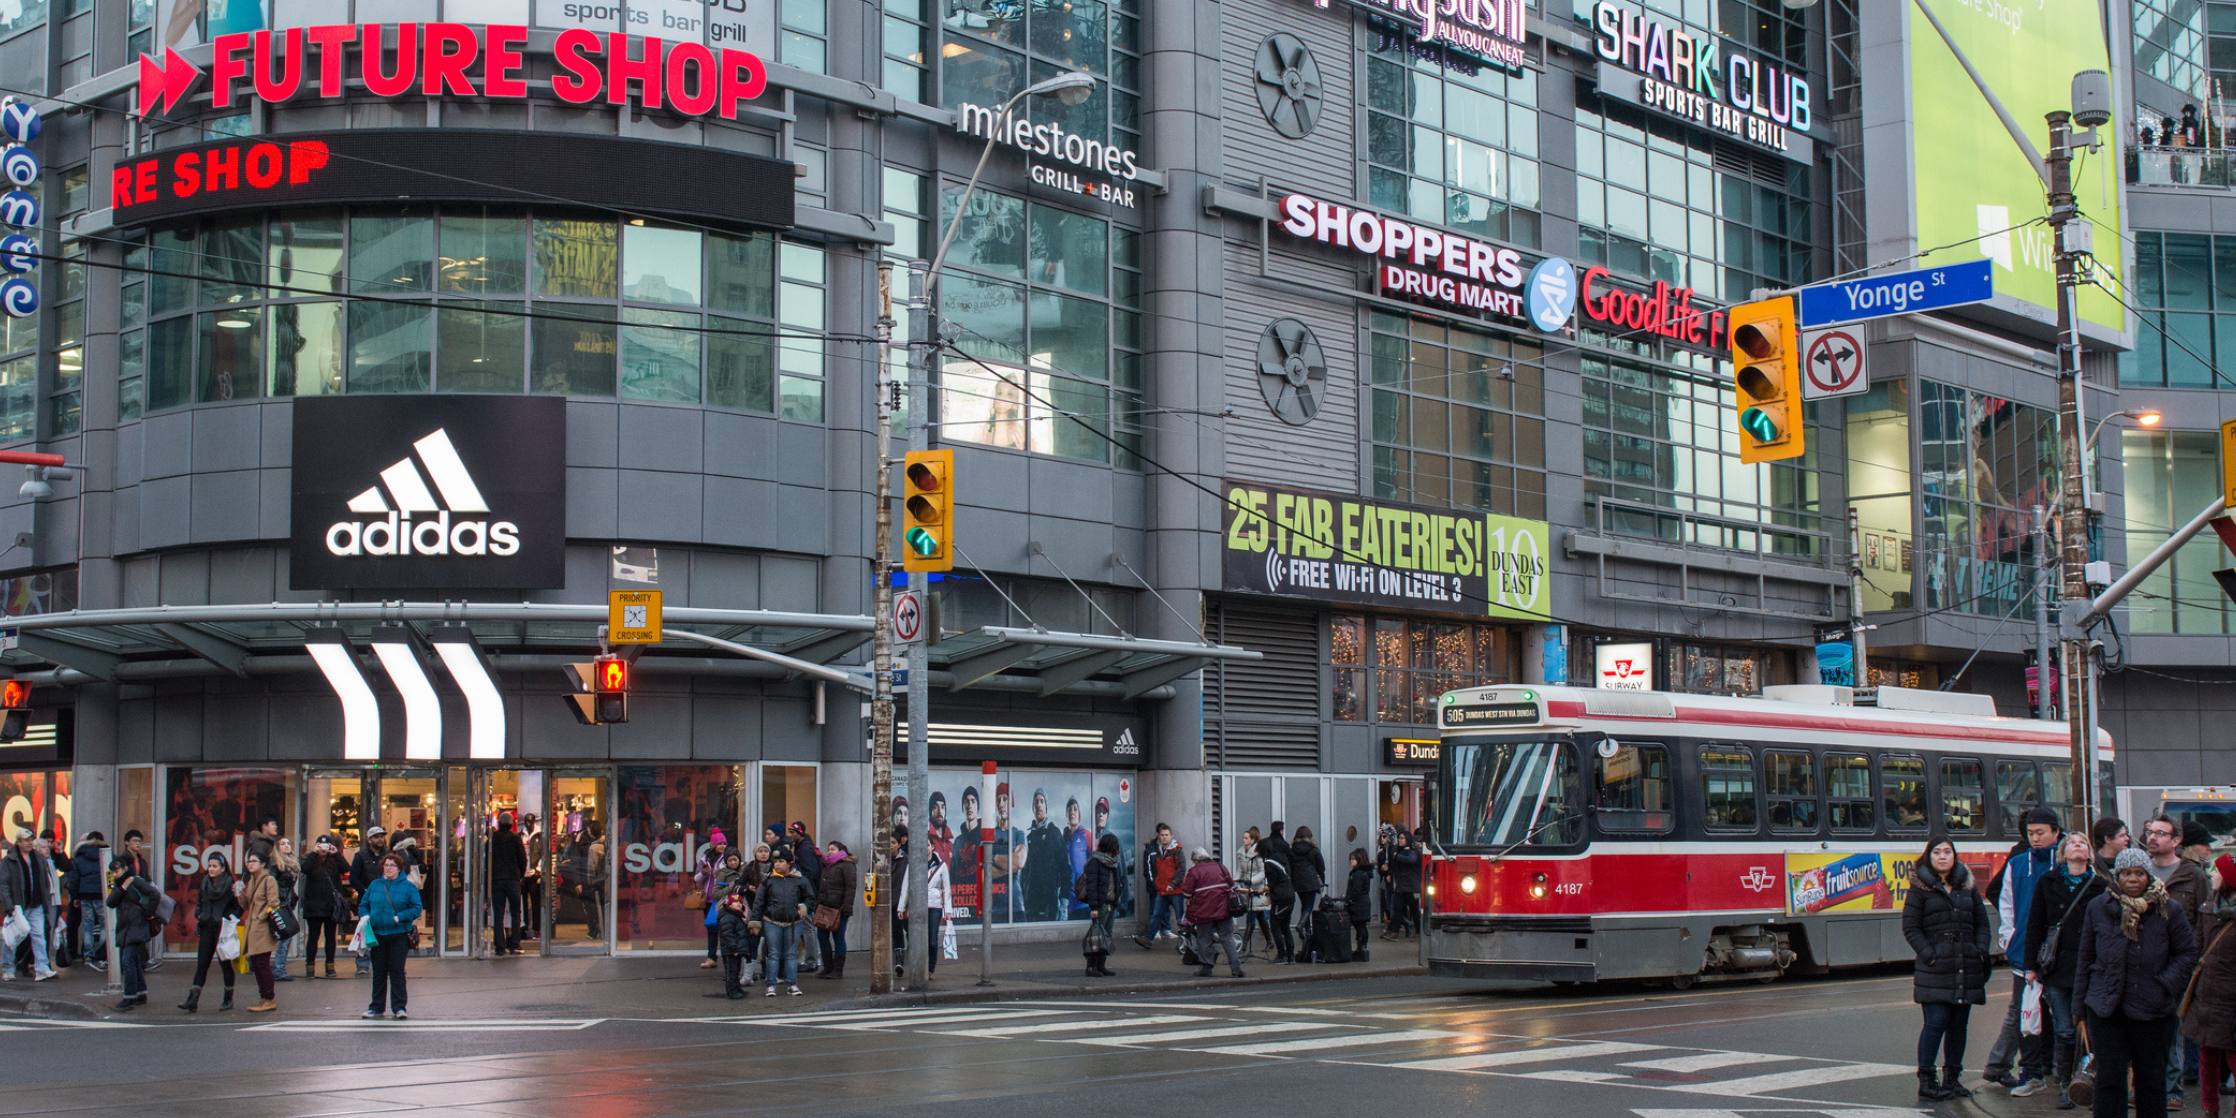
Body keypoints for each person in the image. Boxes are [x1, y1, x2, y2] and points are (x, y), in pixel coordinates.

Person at [2075, 847, 2200, 1118]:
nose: (2133, 879)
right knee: (2109, 1079)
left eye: (2139, 873)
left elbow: (2188, 953)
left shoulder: (2169, 909)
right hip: (2106, 1008)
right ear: (2117, 877)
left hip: (2153, 1009)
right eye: (2127, 873)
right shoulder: (2098, 907)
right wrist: (2079, 1008)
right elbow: (2085, 956)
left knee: (2151, 1080)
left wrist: (2164, 984)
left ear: (2148, 876)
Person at [1904, 836, 1994, 1102]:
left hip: (1965, 966)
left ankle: (1952, 1079)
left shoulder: (1966, 886)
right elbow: (1911, 927)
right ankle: (1927, 1080)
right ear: (1928, 856)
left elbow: (1982, 923)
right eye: (1937, 852)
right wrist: (1930, 955)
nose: (1943, 856)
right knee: (1936, 1023)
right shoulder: (1919, 888)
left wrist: (1979, 950)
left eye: (1947, 852)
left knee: (1959, 1026)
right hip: (1935, 968)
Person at [2027, 830, 2109, 1109]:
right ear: (2063, 852)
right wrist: (2030, 966)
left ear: (2090, 853)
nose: (2078, 846)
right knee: (2064, 1030)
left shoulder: (2101, 885)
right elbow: (2035, 924)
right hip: (2057, 967)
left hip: (2091, 968)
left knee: (2093, 1031)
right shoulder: (2048, 882)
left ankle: (2089, 1081)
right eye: (2072, 842)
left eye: (2083, 843)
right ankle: (2065, 1085)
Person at [1988, 809, 2063, 1095]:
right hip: (2025, 952)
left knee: (2062, 1016)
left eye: (2041, 832)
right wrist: (2009, 937)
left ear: (2055, 832)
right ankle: (2030, 1071)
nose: (2035, 838)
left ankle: (2061, 1071)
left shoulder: (2066, 860)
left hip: (2059, 952)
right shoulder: (2018, 863)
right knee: (2026, 1014)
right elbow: (2005, 902)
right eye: (2031, 833)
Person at [2149, 816, 2214, 1110]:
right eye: (2150, 832)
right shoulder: (2138, 871)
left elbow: (2205, 920)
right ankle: (2144, 1085)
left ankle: (2171, 1088)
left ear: (2176, 841)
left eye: (2161, 833)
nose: (2153, 838)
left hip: (2179, 963)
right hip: (2141, 964)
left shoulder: (2193, 875)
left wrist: (2196, 958)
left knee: (2174, 1028)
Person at [2180, 853, 2236, 1118]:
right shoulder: (2208, 908)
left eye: (2218, 871)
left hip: (2230, 1001)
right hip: (2205, 996)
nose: (2213, 875)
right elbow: (2196, 947)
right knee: (2207, 1058)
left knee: (2233, 1059)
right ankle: (2209, 1109)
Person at [358, 851, 423, 1019]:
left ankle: (400, 1007)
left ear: (399, 868)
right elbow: (364, 904)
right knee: (378, 972)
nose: (388, 868)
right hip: (378, 934)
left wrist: (400, 917)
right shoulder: (375, 885)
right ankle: (376, 1007)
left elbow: (416, 908)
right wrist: (365, 915)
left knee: (397, 971)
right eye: (386, 865)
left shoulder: (408, 887)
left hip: (399, 934)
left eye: (392, 865)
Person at [177, 850, 239, 1012]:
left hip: (222, 929)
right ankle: (192, 1000)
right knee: (202, 964)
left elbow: (238, 907)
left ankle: (228, 999)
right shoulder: (205, 882)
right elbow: (199, 901)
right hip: (206, 927)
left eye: (214, 866)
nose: (211, 869)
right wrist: (199, 914)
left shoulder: (229, 884)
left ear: (223, 868)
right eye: (209, 866)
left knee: (225, 964)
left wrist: (228, 918)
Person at [0, 827, 58, 981]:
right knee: (13, 937)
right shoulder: (9, 860)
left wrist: (45, 900)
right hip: (18, 905)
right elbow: (3, 884)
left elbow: (44, 882)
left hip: (36, 903)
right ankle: (7, 968)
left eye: (31, 840)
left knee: (39, 936)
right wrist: (8, 905)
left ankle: (42, 968)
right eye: (25, 840)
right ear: (18, 842)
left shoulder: (38, 858)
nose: (29, 843)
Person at [752, 851, 812, 997]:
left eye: (781, 861)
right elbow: (759, 902)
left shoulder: (800, 880)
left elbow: (810, 897)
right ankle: (771, 985)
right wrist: (755, 921)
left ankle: (792, 984)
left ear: (789, 863)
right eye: (776, 861)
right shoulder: (768, 880)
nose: (777, 864)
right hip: (772, 921)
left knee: (791, 954)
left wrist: (805, 906)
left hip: (794, 922)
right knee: (773, 954)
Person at [1178, 847, 1243, 979]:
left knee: (1204, 939)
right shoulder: (1221, 867)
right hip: (1224, 910)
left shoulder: (1194, 872)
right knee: (1227, 937)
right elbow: (1232, 886)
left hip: (1203, 912)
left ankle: (1206, 968)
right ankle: (1236, 968)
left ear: (1196, 859)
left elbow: (1187, 893)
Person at [105, 858, 160, 1011]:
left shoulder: (136, 881)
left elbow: (155, 894)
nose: (115, 874)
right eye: (113, 871)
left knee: (128, 960)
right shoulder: (119, 884)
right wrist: (123, 887)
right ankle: (140, 993)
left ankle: (129, 997)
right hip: (127, 927)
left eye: (117, 870)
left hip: (136, 926)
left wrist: (148, 914)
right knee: (134, 960)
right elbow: (110, 902)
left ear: (124, 868)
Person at [299, 835, 349, 978]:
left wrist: (337, 854)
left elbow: (346, 868)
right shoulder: (311, 859)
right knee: (313, 937)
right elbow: (305, 869)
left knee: (330, 937)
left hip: (330, 905)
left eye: (326, 846)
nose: (323, 849)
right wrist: (313, 853)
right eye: (321, 846)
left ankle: (330, 966)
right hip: (313, 905)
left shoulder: (334, 859)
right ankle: (310, 967)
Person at [238, 851, 280, 1013]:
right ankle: (264, 997)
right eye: (249, 861)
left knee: (262, 963)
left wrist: (261, 916)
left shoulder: (268, 880)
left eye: (254, 861)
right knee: (256, 964)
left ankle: (269, 998)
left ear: (263, 864)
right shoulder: (251, 880)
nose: (250, 864)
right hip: (252, 927)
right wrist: (240, 894)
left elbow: (274, 903)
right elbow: (246, 905)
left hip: (262, 928)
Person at [348, 826, 391, 977]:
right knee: (364, 931)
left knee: (385, 931)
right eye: (377, 836)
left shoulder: (388, 856)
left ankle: (383, 963)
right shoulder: (360, 856)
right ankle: (362, 964)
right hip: (366, 900)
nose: (380, 839)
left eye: (382, 836)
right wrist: (365, 891)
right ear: (370, 839)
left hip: (386, 900)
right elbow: (353, 878)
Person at [1078, 833, 1122, 978]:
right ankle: (1091, 966)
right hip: (1101, 905)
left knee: (1106, 936)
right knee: (1096, 937)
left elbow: (1116, 883)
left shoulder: (1113, 863)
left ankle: (1101, 965)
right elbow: (1092, 887)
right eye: (1114, 846)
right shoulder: (1095, 862)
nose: (1116, 849)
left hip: (1111, 904)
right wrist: (1094, 908)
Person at [1134, 823, 1184, 949]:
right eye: (1162, 835)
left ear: (1171, 836)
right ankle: (1148, 940)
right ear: (1158, 836)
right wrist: (1156, 884)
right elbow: (1152, 869)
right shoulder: (1156, 850)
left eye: (1166, 835)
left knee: (1180, 918)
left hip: (1175, 891)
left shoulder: (1177, 850)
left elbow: (1182, 870)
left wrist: (1173, 884)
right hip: (1162, 890)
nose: (1164, 837)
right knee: (1156, 914)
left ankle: (1186, 942)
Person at [813, 839, 857, 980]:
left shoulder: (847, 865)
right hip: (825, 907)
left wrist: (846, 906)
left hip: (839, 908)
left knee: (838, 938)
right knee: (822, 936)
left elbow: (851, 887)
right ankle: (828, 967)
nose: (829, 851)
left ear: (841, 850)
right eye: (829, 848)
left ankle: (838, 970)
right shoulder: (827, 865)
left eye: (833, 849)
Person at [67, 831, 107, 971]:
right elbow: (111, 876)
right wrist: (111, 892)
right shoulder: (106, 855)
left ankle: (88, 955)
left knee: (88, 925)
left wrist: (75, 896)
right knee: (104, 925)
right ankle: (102, 954)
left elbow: (74, 879)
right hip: (102, 894)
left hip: (84, 894)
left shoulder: (79, 857)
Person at [1022, 790, 1065, 922]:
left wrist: (1064, 902)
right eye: (1036, 802)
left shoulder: (1055, 833)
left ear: (1046, 806)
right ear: (1033, 808)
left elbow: (1065, 868)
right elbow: (1025, 872)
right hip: (1031, 905)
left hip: (1049, 904)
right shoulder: (1029, 838)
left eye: (1042, 801)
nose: (1039, 805)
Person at [489, 815, 527, 957]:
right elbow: (522, 859)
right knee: (516, 912)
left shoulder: (493, 839)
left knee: (498, 914)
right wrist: (520, 875)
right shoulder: (515, 838)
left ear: (499, 824)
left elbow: (488, 859)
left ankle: (499, 947)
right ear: (511, 824)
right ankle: (514, 944)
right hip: (513, 879)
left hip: (497, 880)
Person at [707, 883, 752, 1000]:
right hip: (731, 950)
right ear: (728, 903)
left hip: (736, 948)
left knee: (736, 970)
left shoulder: (737, 915)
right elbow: (727, 935)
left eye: (739, 902)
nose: (738, 904)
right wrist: (734, 948)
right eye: (735, 902)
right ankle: (732, 991)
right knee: (731, 972)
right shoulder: (728, 917)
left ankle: (737, 988)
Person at [1263, 824, 1297, 965]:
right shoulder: (1283, 859)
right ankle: (1291, 956)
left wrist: (1267, 889)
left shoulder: (1269, 863)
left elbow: (1273, 882)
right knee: (1286, 927)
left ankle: (1282, 954)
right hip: (1289, 894)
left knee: (1275, 925)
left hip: (1280, 897)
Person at [1235, 828, 1271, 959]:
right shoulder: (1240, 852)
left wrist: (1251, 880)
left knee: (1251, 916)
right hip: (1247, 886)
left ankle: (1244, 945)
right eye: (1243, 838)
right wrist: (1235, 880)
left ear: (1253, 840)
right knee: (1260, 915)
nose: (1243, 840)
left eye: (1246, 838)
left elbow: (1263, 872)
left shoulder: (1258, 853)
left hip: (1258, 888)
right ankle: (1270, 941)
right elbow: (1240, 870)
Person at [269, 837, 301, 984]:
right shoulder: (276, 865)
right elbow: (271, 885)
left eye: (288, 843)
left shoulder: (292, 863)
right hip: (278, 904)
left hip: (286, 903)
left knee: (284, 935)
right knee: (283, 935)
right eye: (283, 844)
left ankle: (278, 968)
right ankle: (278, 969)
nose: (287, 846)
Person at [1384, 830, 1422, 938]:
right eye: (1399, 838)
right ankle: (1394, 931)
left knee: (1415, 911)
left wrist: (1396, 856)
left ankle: (1419, 931)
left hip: (1411, 886)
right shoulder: (1398, 851)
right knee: (1397, 909)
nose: (1400, 840)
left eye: (1402, 838)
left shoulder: (1412, 852)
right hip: (1401, 886)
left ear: (1407, 839)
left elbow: (1412, 860)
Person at [1291, 826, 1327, 936]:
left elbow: (1290, 866)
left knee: (1304, 905)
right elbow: (1321, 867)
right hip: (1311, 881)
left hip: (1298, 882)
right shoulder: (1314, 850)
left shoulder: (1292, 850)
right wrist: (1322, 881)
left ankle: (1307, 931)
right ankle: (1301, 925)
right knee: (1309, 906)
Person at [924, 843, 950, 976]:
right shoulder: (916, 864)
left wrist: (948, 911)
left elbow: (947, 888)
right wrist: (903, 906)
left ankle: (930, 968)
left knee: (932, 940)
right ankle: (921, 967)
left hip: (935, 907)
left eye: (927, 844)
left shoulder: (941, 865)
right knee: (919, 940)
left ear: (932, 847)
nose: (925, 847)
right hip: (920, 907)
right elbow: (907, 885)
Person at [1345, 847, 1374, 962]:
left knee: (1359, 927)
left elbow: (1355, 890)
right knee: (1362, 926)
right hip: (1364, 903)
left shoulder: (1357, 874)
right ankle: (1363, 948)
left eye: (1353, 859)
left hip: (1358, 904)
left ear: (1359, 860)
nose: (1351, 861)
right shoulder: (1365, 873)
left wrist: (1348, 900)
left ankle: (1361, 948)